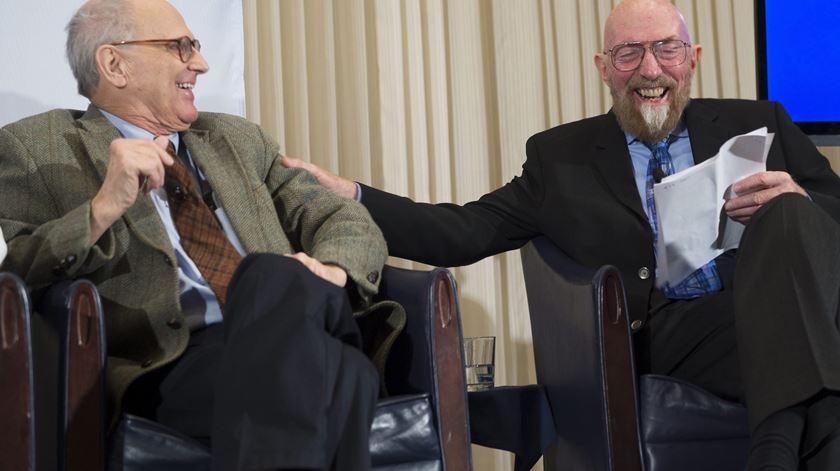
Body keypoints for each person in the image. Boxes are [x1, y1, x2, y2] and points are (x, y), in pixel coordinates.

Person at [282, 0, 840, 469]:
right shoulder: (561, 159)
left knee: (792, 214)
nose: (650, 70)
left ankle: (777, 448)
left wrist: (796, 197)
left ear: (691, 59)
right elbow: (464, 229)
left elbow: (832, 213)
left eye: (665, 49)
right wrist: (351, 194)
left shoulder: (759, 120)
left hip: (774, 306)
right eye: (629, 53)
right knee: (814, 333)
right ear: (604, 67)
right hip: (675, 333)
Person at [0, 0, 388, 469]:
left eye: (198, 46)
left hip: (295, 320)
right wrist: (102, 208)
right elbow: (17, 271)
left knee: (270, 277)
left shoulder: (239, 141)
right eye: (180, 47)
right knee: (348, 375)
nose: (200, 63)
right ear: (114, 64)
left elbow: (342, 217)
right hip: (176, 360)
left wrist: (329, 271)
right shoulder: (36, 147)